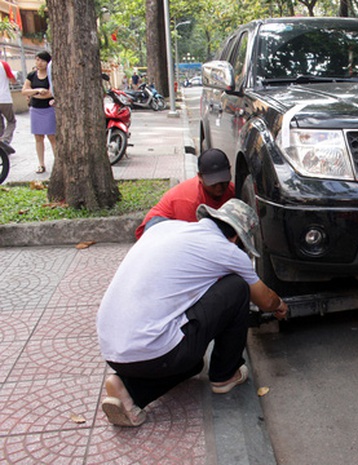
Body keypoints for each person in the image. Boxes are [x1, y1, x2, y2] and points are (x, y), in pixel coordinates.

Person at [97, 199, 289, 427]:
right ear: (237, 238)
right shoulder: (226, 250)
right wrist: (280, 306)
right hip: (154, 352)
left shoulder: (166, 228)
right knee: (237, 287)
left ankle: (128, 390)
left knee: (193, 363)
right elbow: (265, 300)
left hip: (113, 350)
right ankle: (225, 375)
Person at [134, 148, 235, 239]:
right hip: (157, 225)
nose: (219, 187)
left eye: (223, 181)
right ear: (200, 177)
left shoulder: (231, 190)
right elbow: (195, 238)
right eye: (213, 183)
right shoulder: (190, 200)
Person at [21, 51, 56, 174]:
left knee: (52, 137)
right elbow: (24, 91)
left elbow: (50, 94)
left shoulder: (51, 75)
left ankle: (57, 162)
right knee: (38, 137)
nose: (39, 63)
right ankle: (41, 164)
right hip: (35, 109)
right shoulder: (31, 75)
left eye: (42, 60)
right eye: (37, 60)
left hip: (49, 109)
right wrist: (37, 91)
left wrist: (34, 94)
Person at [0, 59, 17, 146]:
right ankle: (5, 140)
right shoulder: (3, 64)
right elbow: (12, 80)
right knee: (11, 121)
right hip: (4, 98)